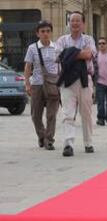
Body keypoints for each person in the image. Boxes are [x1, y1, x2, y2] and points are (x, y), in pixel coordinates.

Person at [55, 11, 96, 157]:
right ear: (69, 23)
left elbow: (89, 54)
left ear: (83, 23)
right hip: (66, 80)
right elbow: (58, 56)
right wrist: (78, 54)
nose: (75, 23)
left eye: (78, 21)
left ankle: (88, 142)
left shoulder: (88, 39)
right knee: (68, 113)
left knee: (86, 113)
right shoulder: (62, 40)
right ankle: (68, 144)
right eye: (72, 20)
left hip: (85, 79)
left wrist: (69, 54)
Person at [24, 20, 60, 151]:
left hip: (53, 84)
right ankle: (41, 135)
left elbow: (60, 66)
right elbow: (28, 66)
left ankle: (49, 140)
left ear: (51, 32)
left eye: (48, 31)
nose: (45, 34)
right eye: (42, 31)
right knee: (35, 115)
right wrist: (27, 83)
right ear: (37, 33)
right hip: (37, 84)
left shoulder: (56, 47)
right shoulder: (32, 48)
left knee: (51, 115)